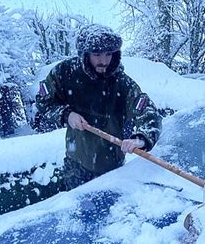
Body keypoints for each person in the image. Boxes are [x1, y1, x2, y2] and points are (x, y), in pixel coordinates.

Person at [36, 24, 162, 190]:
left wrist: (142, 138)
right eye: (97, 54)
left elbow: (148, 111)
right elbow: (44, 100)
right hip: (76, 165)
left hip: (112, 168)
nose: (104, 61)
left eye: (108, 54)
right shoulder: (65, 73)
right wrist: (66, 114)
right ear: (84, 54)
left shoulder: (121, 83)